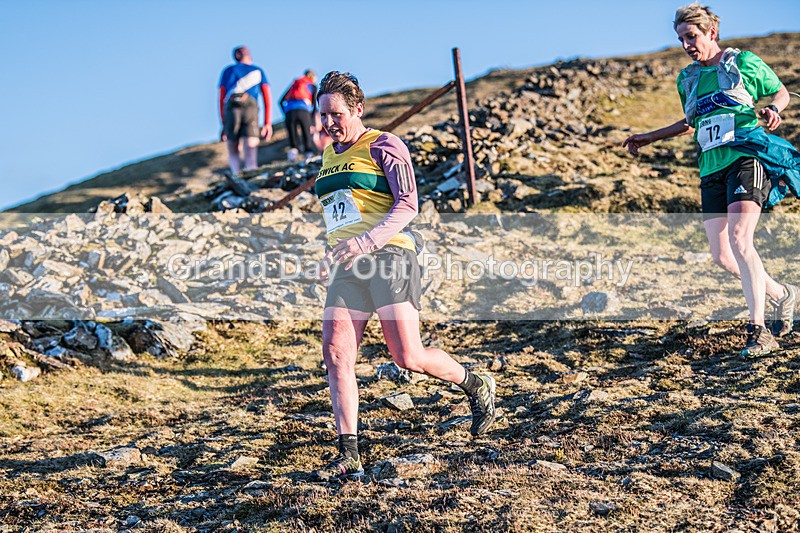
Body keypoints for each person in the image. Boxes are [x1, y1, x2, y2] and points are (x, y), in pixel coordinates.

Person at [311, 71, 497, 481]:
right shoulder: (327, 158)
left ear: (357, 109)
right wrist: (333, 252)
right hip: (347, 266)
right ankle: (349, 454)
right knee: (337, 352)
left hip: (391, 256)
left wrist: (366, 243)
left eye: (335, 114)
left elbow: (408, 204)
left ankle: (474, 382)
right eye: (322, 115)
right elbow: (342, 214)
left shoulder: (384, 145)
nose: (328, 123)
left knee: (407, 357)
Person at [623, 4, 800, 357]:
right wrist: (647, 137)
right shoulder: (686, 78)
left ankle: (758, 329)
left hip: (746, 155)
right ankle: (782, 295)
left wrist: (773, 110)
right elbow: (689, 122)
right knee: (722, 255)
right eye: (681, 39)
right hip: (710, 167)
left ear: (711, 34)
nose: (687, 44)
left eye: (692, 36)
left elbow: (780, 91)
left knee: (739, 237)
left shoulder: (743, 63)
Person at [218, 46, 273, 174]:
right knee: (251, 145)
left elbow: (221, 98)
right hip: (250, 107)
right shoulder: (258, 71)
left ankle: (236, 174)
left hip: (232, 109)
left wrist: (223, 123)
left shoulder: (228, 71)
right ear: (249, 56)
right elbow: (267, 97)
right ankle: (251, 172)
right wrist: (267, 123)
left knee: (233, 147)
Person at [280, 69, 318, 161]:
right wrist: (312, 122)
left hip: (289, 112)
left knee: (293, 138)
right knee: (306, 135)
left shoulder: (294, 85)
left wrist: (286, 113)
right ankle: (308, 158)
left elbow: (281, 101)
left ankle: (292, 159)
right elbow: (314, 106)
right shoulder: (312, 86)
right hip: (303, 112)